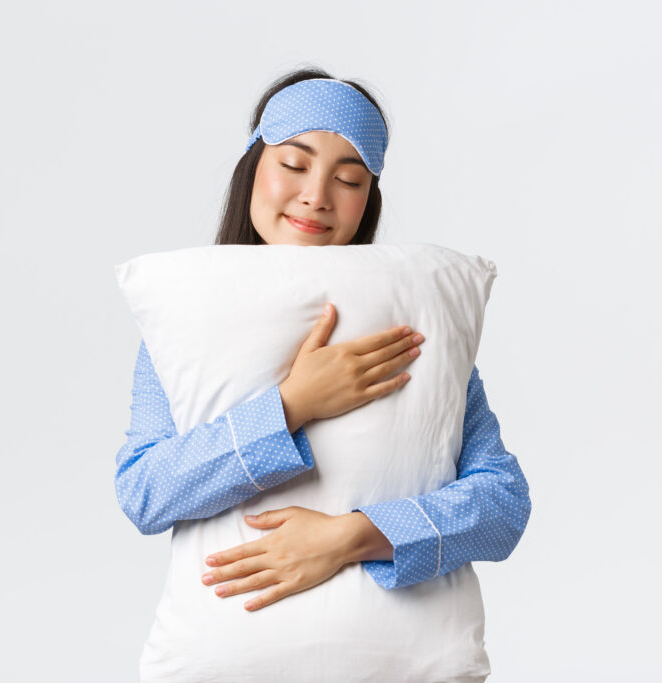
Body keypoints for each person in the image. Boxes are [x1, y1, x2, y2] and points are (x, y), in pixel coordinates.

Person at [116, 68, 531, 619]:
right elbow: (145, 493)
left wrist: (350, 538)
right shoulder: (192, 317)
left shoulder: (410, 322)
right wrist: (293, 405)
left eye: (350, 179)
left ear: (368, 200)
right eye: (293, 164)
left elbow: (502, 504)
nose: (316, 196)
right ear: (253, 168)